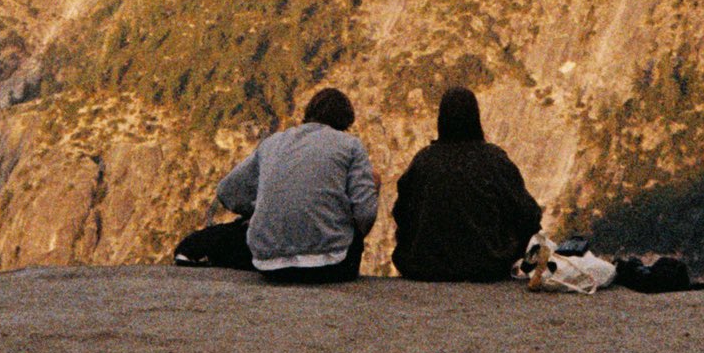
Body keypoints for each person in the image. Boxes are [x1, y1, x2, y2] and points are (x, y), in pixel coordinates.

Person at [214, 86, 377, 283]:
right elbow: (366, 213)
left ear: (309, 114)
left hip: (270, 267)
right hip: (331, 267)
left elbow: (226, 191)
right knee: (373, 179)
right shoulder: (350, 145)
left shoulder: (273, 142)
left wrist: (260, 209)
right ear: (346, 121)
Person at [389, 85, 545, 283]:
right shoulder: (493, 159)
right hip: (486, 266)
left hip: (424, 266)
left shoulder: (424, 160)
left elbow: (401, 213)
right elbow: (528, 214)